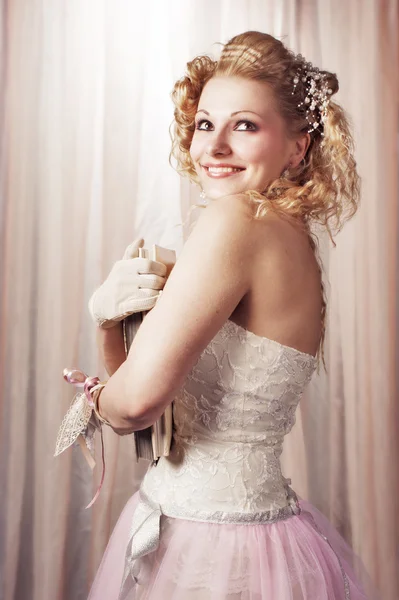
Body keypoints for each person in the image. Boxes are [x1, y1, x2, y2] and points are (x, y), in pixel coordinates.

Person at [85, 31, 377, 600]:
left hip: (210, 546)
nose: (214, 146)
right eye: (204, 124)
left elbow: (134, 408)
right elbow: (159, 412)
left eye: (244, 125)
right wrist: (116, 328)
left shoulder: (235, 222)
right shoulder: (289, 233)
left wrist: (98, 355)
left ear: (298, 146)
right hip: (260, 531)